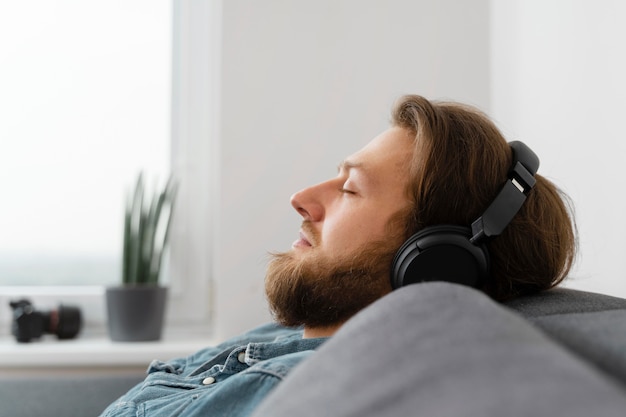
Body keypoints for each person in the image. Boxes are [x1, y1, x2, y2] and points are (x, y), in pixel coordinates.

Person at [99, 95, 576, 416]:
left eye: (350, 188)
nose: (301, 198)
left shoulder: (300, 394)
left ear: (433, 261)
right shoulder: (286, 337)